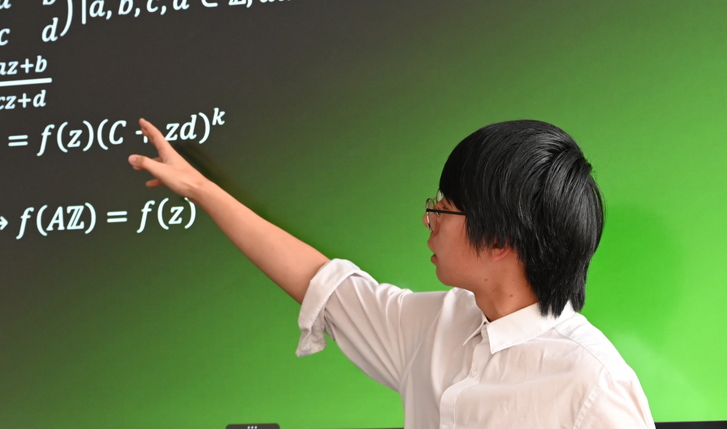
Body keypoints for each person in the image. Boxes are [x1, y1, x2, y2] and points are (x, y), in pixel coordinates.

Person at [128, 118, 654, 429]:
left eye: (444, 207)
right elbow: (320, 280)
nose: (429, 219)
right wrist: (197, 188)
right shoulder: (437, 325)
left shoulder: (593, 386)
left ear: (499, 240)